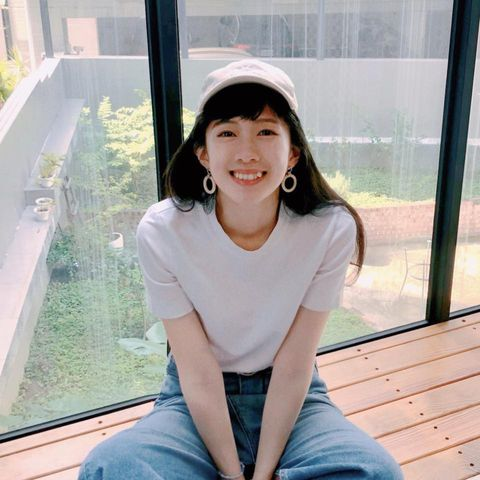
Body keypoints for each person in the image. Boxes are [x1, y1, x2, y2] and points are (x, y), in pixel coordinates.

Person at [78, 59, 404, 480]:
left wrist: (264, 473)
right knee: (110, 468)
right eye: (227, 133)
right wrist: (233, 476)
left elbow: (295, 362)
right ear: (203, 153)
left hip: (294, 398)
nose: (247, 152)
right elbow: (197, 369)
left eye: (265, 132)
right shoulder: (163, 230)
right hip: (192, 400)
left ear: (292, 153)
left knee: (375, 473)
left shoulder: (329, 228)